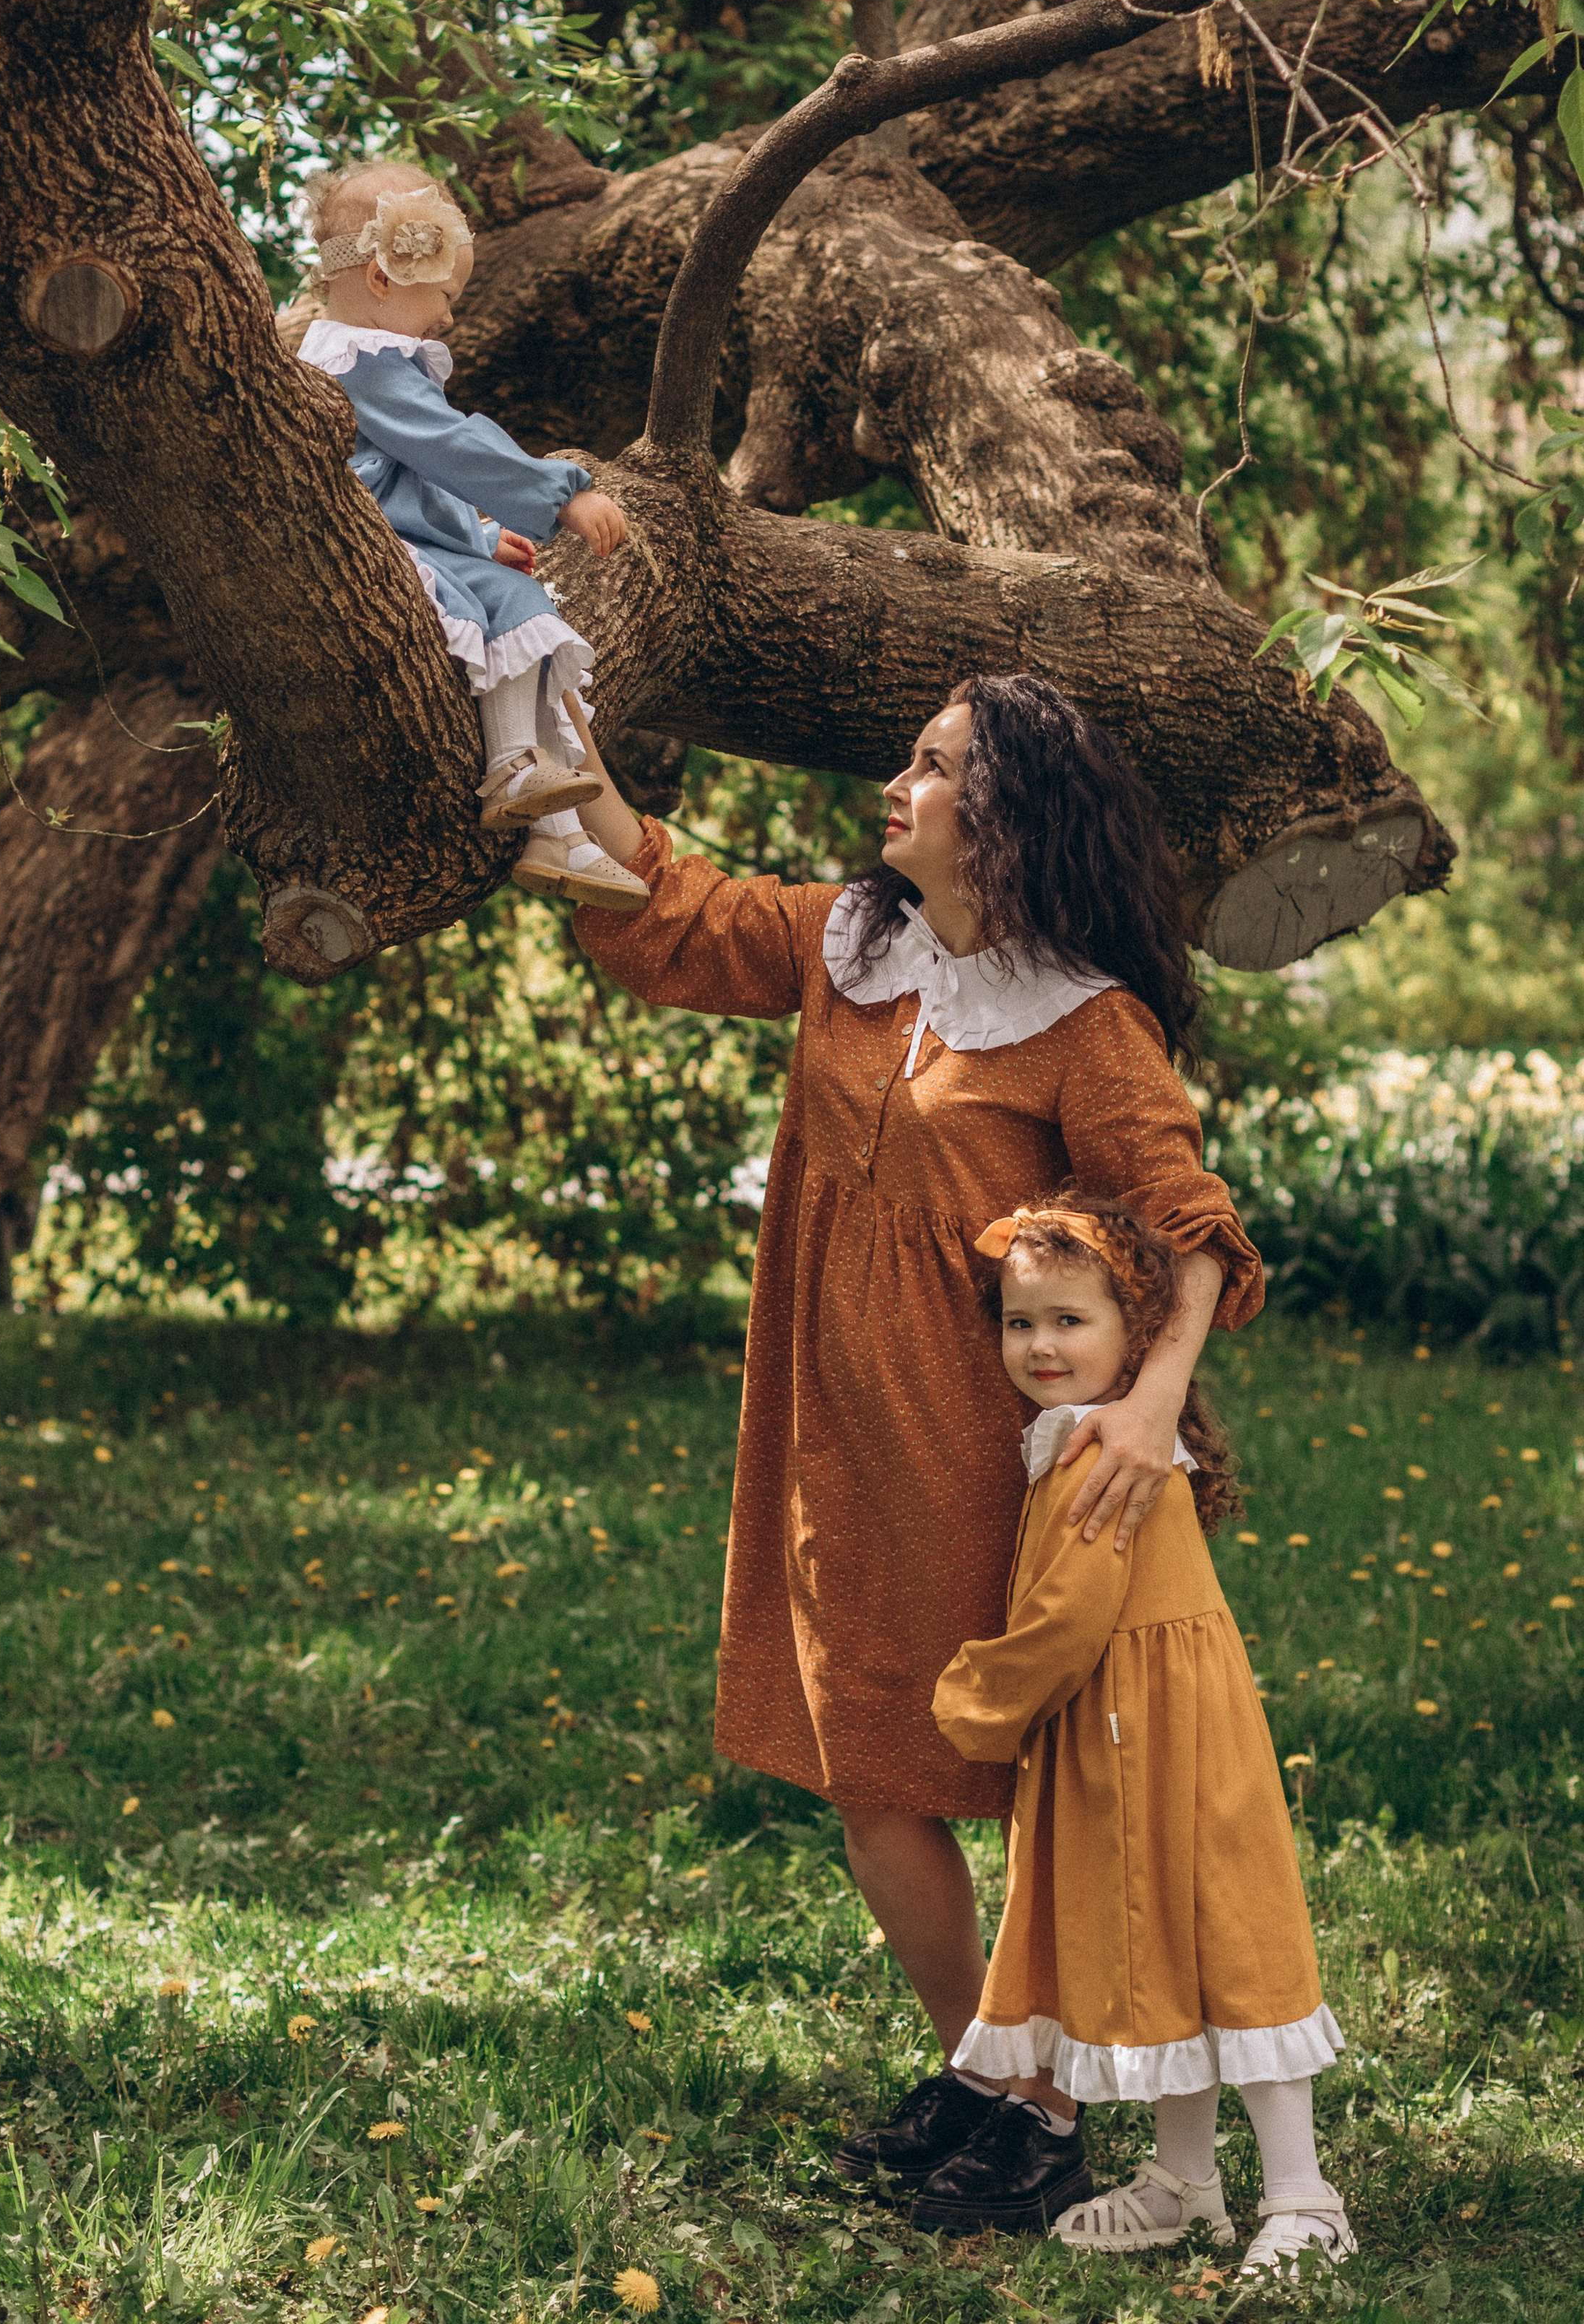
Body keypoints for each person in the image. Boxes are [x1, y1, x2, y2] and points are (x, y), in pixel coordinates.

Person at [570, 672, 1264, 2232]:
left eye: (932, 767)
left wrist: (1147, 1412)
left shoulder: (1080, 1020)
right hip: (836, 1437)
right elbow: (670, 904)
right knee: (867, 1761)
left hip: (1004, 1465)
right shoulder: (849, 950)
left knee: (1038, 1783)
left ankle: (1066, 2103)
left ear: (1000, 820)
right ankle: (990, 2081)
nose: (895, 784)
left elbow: (1191, 1225)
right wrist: (540, 753)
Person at [930, 1197, 1354, 2279]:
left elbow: (1067, 1621)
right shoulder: (1093, 1437)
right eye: (1021, 1323)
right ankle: (1183, 2181)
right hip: (1128, 1728)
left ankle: (1305, 2196)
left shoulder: (1103, 1452)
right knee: (1157, 1938)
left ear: (1138, 1328)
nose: (1040, 1346)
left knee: (1226, 1937)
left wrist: (974, 1701)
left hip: (1159, 1733)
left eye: (1069, 1320)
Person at [293, 157, 646, 914]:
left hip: (395, 534)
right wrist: (559, 498)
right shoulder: (361, 360)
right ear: (385, 279)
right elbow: (448, 447)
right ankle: (515, 768)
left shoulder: (358, 359)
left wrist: (480, 540)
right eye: (446, 296)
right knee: (517, 604)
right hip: (375, 551)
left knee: (518, 601)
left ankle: (555, 830)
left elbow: (407, 476)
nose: (450, 318)